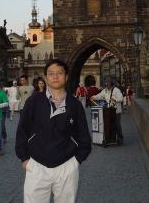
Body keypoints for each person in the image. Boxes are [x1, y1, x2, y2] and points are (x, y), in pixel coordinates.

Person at [16, 58, 91, 203]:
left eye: (59, 73)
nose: (55, 76)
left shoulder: (75, 105)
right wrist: (24, 159)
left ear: (66, 77)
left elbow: (83, 135)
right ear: (46, 78)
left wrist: (77, 160)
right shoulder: (34, 101)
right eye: (51, 73)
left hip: (67, 165)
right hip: (37, 165)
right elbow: (22, 130)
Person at [91, 76, 124, 145]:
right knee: (109, 124)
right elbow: (99, 96)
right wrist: (93, 97)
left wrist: (115, 100)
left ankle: (120, 138)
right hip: (109, 111)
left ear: (111, 84)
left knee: (117, 124)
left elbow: (121, 98)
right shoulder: (104, 91)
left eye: (108, 84)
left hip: (116, 111)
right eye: (106, 84)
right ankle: (111, 138)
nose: (107, 86)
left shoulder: (116, 90)